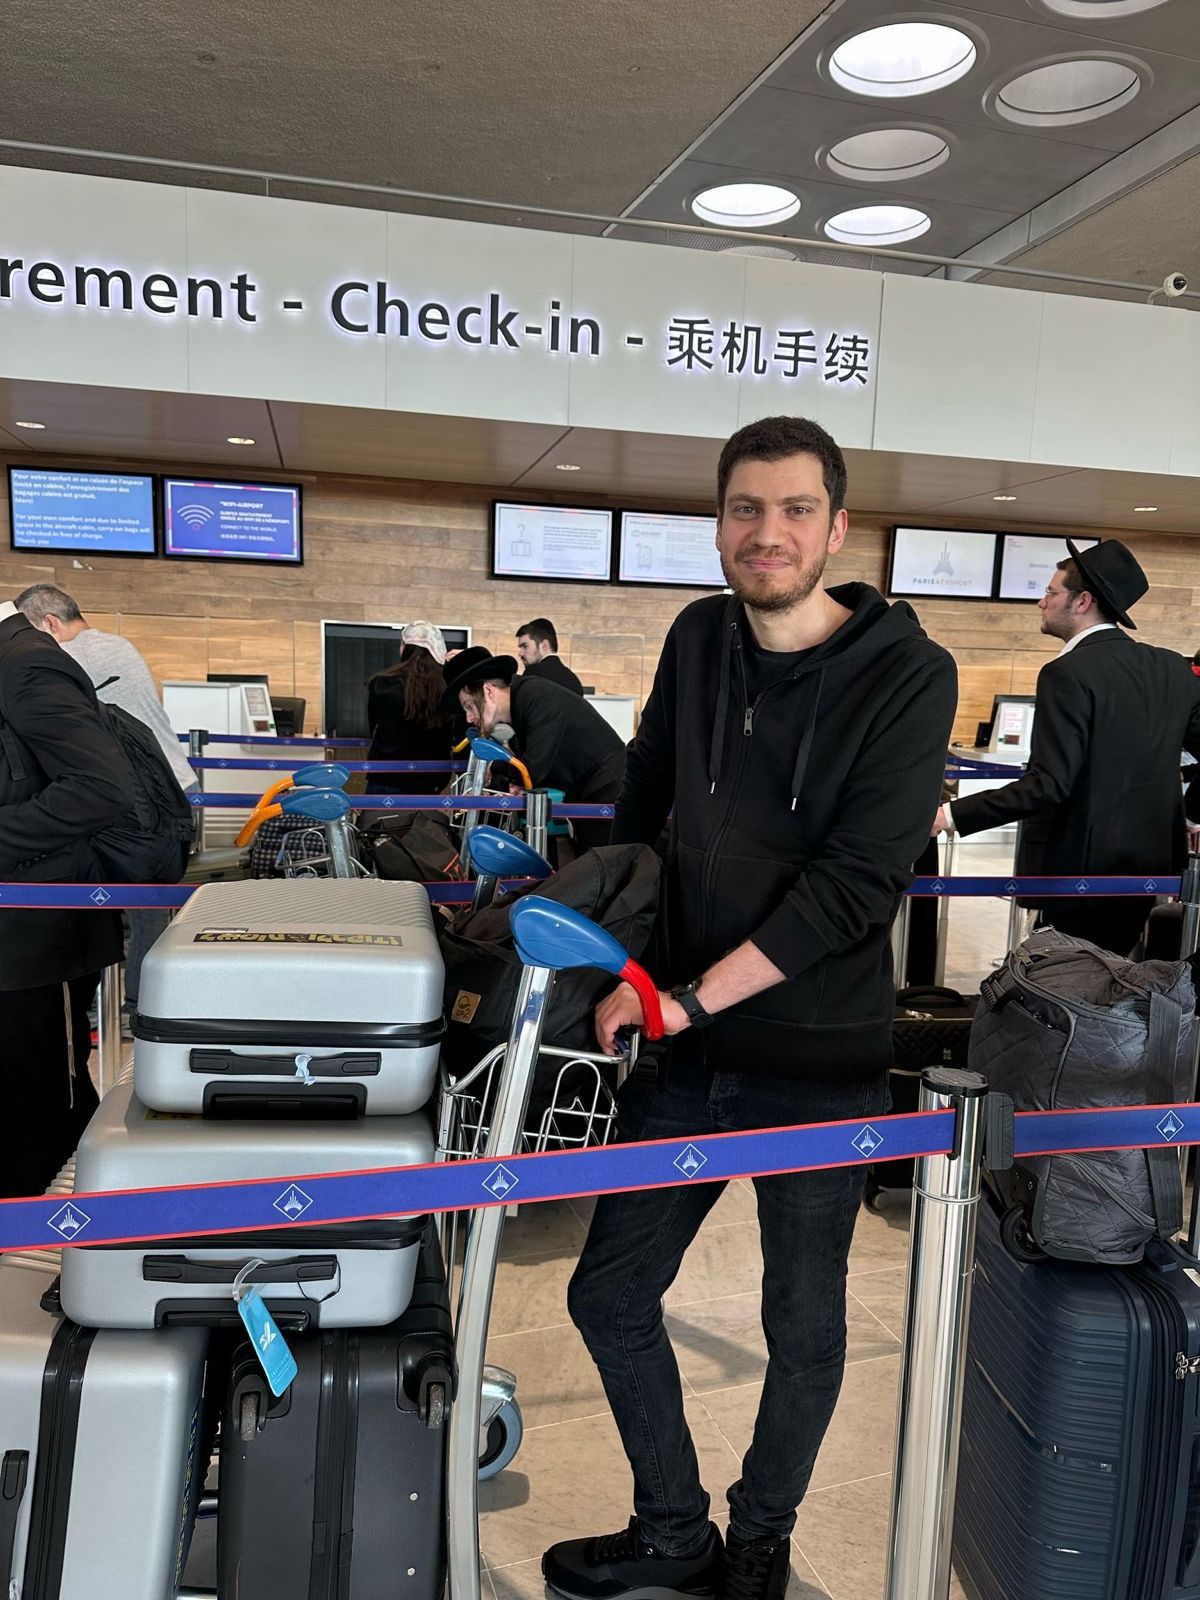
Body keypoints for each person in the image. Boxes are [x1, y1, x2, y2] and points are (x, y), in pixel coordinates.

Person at [541, 416, 957, 1600]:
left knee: (805, 1328)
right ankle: (674, 1527)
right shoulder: (698, 635)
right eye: (743, 509)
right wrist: (623, 967)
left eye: (791, 510)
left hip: (815, 1062)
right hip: (680, 1047)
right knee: (609, 1292)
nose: (765, 533)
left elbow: (855, 886)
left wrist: (684, 1001)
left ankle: (760, 1542)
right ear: (718, 522)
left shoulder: (908, 672)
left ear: (835, 527)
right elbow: (644, 806)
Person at [933, 541, 1200, 957]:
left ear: (1083, 601)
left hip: (1083, 872)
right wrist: (1190, 812)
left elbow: (1048, 785)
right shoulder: (1172, 668)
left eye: (1051, 592)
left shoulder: (1067, 672)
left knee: (1072, 987)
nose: (1041, 602)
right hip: (1153, 868)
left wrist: (949, 815)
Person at [0, 599, 134, 1198]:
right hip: (24, 929)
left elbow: (100, 788)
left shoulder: (25, 664)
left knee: (42, 1108)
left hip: (36, 933)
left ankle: (64, 1252)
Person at [14, 583, 198, 1012]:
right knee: (147, 903)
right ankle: (141, 1001)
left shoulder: (68, 657)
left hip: (146, 799)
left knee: (133, 901)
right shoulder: (115, 643)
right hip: (170, 786)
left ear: (50, 624)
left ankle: (137, 1004)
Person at [443, 645, 623, 851]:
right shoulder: (522, 704)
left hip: (608, 792)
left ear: (488, 691)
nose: (469, 717)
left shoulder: (536, 697)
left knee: (606, 867)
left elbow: (530, 770)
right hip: (586, 792)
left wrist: (495, 771)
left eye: (469, 706)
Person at [365, 621, 455, 796]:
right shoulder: (447, 686)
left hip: (385, 777)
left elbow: (372, 729)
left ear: (405, 647)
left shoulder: (382, 683)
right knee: (423, 824)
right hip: (432, 779)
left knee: (378, 823)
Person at [515, 617, 584, 696]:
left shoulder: (533, 673)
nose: (520, 653)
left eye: (525, 646)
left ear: (545, 645)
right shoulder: (574, 680)